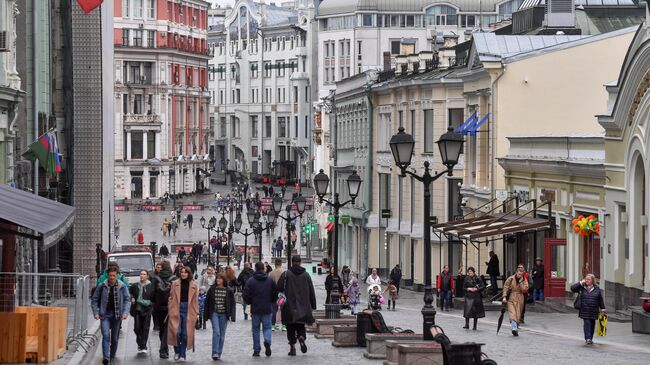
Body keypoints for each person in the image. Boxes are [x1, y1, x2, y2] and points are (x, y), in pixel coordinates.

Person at [278, 255, 316, 356]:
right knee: (300, 325)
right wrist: (313, 305)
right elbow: (312, 291)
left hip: (289, 307)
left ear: (292, 262)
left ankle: (293, 348)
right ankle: (301, 337)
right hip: (303, 307)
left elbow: (279, 287)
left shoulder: (286, 274)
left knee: (290, 327)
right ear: (300, 262)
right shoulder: (306, 275)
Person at [91, 267, 131, 365]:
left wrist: (125, 312)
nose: (112, 278)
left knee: (114, 338)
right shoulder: (102, 286)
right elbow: (94, 300)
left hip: (117, 315)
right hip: (105, 315)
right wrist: (96, 312)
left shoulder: (122, 286)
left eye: (114, 276)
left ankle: (112, 356)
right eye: (110, 276)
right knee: (105, 335)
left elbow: (127, 300)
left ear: (117, 275)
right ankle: (106, 357)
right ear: (108, 275)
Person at [242, 262, 277, 357]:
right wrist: (272, 301)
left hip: (255, 308)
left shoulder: (251, 281)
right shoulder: (269, 280)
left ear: (256, 269)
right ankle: (267, 341)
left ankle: (257, 350)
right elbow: (275, 293)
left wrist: (249, 301)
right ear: (264, 269)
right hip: (267, 307)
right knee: (267, 327)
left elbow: (245, 294)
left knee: (256, 330)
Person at [167, 266, 199, 362]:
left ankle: (182, 353)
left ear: (189, 274)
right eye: (182, 272)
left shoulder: (194, 285)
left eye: (185, 272)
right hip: (177, 308)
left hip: (189, 310)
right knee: (177, 332)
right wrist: (170, 306)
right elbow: (171, 297)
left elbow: (195, 300)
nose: (183, 274)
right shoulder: (175, 284)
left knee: (185, 334)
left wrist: (197, 313)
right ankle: (177, 351)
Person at [204, 273, 236, 360]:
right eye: (217, 278)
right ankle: (214, 352)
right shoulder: (212, 289)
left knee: (222, 334)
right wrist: (206, 315)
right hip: (214, 313)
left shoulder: (228, 290)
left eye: (220, 279)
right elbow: (207, 302)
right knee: (216, 332)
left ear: (223, 280)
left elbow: (232, 304)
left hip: (224, 314)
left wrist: (232, 316)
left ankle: (219, 352)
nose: (218, 280)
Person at [571, 273, 606, 345]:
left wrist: (603, 309)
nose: (586, 280)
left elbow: (600, 299)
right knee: (587, 323)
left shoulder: (597, 289)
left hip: (594, 310)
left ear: (592, 281)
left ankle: (590, 338)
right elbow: (572, 288)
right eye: (586, 279)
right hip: (584, 309)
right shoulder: (581, 287)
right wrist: (580, 283)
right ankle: (588, 338)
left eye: (588, 279)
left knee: (592, 324)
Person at [153, 260, 176, 359]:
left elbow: (153, 293)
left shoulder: (156, 278)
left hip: (158, 307)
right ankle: (163, 350)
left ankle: (164, 349)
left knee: (162, 329)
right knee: (166, 329)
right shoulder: (174, 278)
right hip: (169, 306)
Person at [129, 270, 155, 353]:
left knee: (145, 327)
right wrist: (132, 297)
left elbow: (154, 297)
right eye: (141, 274)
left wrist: (151, 303)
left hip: (147, 309)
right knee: (137, 328)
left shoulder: (151, 286)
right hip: (137, 309)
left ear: (147, 276)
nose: (142, 276)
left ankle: (143, 345)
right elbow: (130, 293)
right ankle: (140, 342)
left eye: (144, 274)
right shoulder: (135, 285)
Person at [503, 267, 529, 336]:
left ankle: (515, 328)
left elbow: (525, 289)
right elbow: (505, 287)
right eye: (518, 273)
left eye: (521, 274)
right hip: (511, 298)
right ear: (516, 272)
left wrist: (520, 283)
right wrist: (504, 297)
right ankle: (514, 328)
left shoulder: (524, 280)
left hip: (520, 298)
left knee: (518, 314)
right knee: (512, 313)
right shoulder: (511, 278)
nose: (519, 275)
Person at [268, 258, 286, 331]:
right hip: (282, 293)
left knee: (274, 309)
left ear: (275, 264)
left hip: (274, 293)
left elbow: (269, 284)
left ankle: (272, 325)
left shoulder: (271, 273)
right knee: (284, 309)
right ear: (281, 264)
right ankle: (284, 325)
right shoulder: (284, 272)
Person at [151, 263, 162, 331]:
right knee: (154, 312)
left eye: (160, 267)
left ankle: (159, 325)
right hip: (154, 297)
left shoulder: (163, 276)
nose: (159, 268)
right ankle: (155, 325)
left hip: (161, 297)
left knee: (159, 312)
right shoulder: (152, 276)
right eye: (158, 267)